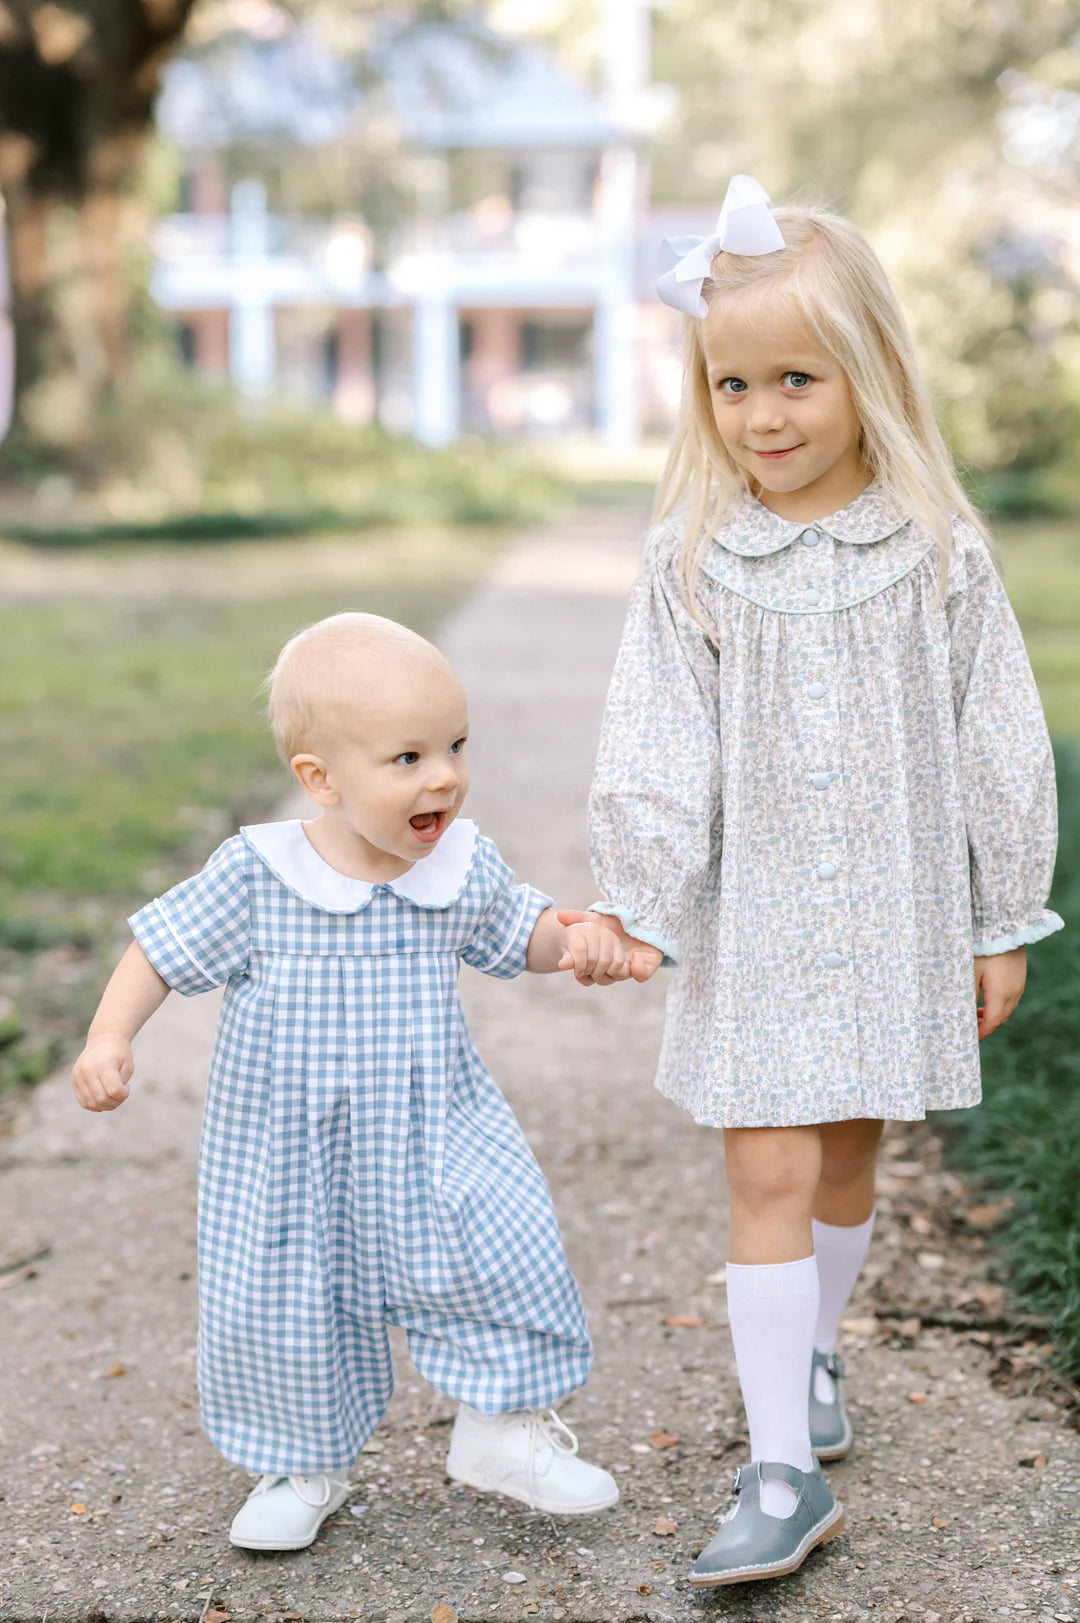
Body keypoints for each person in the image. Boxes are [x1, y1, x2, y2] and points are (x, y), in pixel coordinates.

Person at [579, 175, 1064, 1586]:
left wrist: (998, 910)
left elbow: (999, 738)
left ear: (869, 373)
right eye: (734, 383)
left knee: (852, 1150)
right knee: (768, 1159)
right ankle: (780, 1462)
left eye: (798, 377)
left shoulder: (935, 553)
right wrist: (643, 892)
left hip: (898, 907)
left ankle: (819, 1346)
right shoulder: (693, 562)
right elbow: (657, 743)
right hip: (760, 913)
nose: (764, 414)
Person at [72, 612, 629, 1553]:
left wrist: (575, 942)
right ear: (319, 779)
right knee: (287, 1298)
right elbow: (158, 949)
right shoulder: (260, 873)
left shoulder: (458, 863)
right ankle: (299, 1462)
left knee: (503, 1244)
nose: (444, 775)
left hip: (434, 1128)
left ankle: (503, 1429)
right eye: (407, 757)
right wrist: (107, 1035)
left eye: (455, 745)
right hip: (288, 1148)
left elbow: (519, 934)